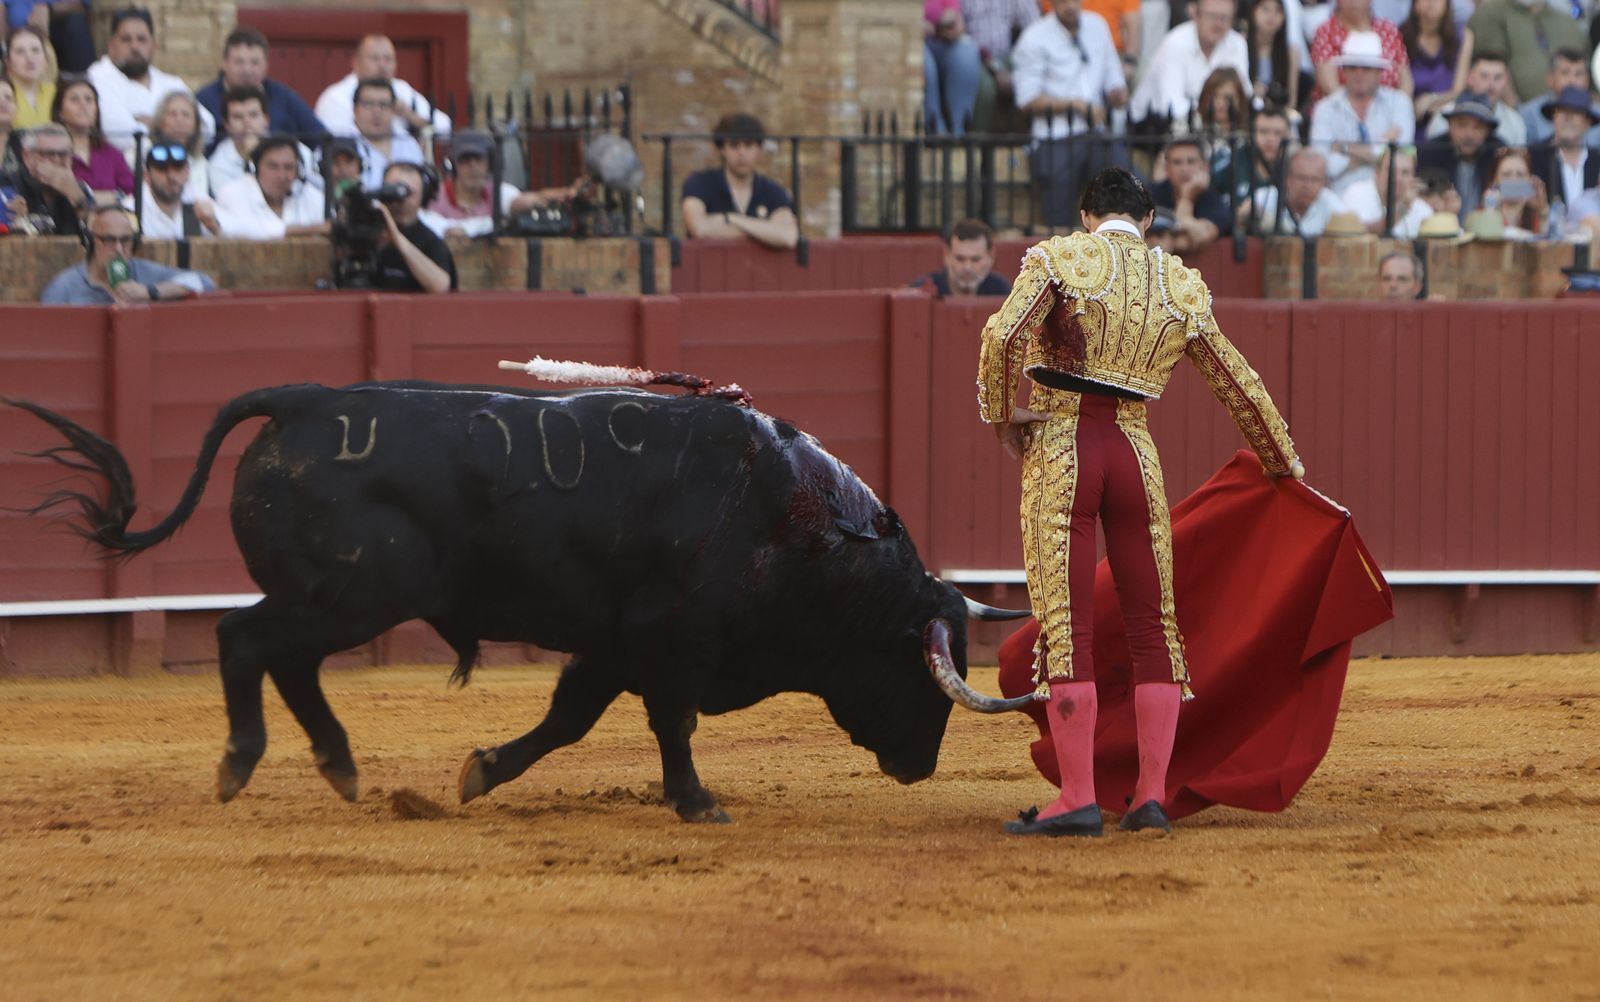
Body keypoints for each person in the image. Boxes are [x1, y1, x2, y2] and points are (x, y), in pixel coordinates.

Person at [976, 166, 1302, 837]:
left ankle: (1077, 799)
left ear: (1088, 214)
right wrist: (1283, 465)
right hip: (1134, 452)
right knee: (1155, 626)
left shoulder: (1062, 257)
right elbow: (1239, 383)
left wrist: (1003, 414)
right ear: (1148, 220)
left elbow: (1002, 337)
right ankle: (1151, 796)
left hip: (1066, 444)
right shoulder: (1178, 284)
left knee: (1069, 626)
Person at [1012, 0, 1128, 227]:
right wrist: (1075, 105)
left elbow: (1113, 76)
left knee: (1127, 183)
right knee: (1058, 213)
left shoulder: (1097, 25)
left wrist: (1117, 93)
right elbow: (1027, 99)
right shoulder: (1034, 36)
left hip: (1095, 134)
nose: (1070, 6)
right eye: (1063, 1)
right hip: (1053, 138)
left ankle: (1120, 247)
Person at [85, 8, 214, 154]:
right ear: (111, 45)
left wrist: (148, 122)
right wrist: (170, 128)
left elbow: (208, 127)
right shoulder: (98, 76)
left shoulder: (171, 83)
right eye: (126, 40)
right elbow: (121, 134)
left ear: (153, 46)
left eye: (141, 39)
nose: (135, 47)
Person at [40, 204, 214, 304]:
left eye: (125, 241)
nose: (118, 248)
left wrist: (149, 291)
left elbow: (205, 282)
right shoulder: (64, 287)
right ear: (91, 242)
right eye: (108, 240)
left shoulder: (144, 271)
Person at [1309, 32, 1416, 193]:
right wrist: (1379, 152)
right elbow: (1321, 165)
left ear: (1379, 72)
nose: (1359, 74)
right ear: (1343, 71)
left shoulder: (1399, 102)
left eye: (1366, 69)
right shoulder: (1325, 107)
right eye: (1352, 68)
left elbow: (1399, 156)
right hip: (1338, 195)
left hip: (1388, 195)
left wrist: (1344, 148)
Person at [195, 26, 326, 153]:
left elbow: (322, 138)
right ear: (224, 63)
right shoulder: (204, 101)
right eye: (239, 62)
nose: (247, 70)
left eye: (254, 62)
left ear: (266, 65)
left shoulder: (284, 97)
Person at [680, 112, 799, 248]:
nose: (741, 153)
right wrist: (765, 231)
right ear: (723, 149)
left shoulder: (772, 190)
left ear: (759, 149)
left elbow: (787, 236)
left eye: (748, 145)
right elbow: (699, 228)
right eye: (734, 145)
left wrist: (731, 219)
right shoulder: (699, 183)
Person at [422, 129, 571, 238]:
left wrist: (566, 193)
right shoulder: (436, 196)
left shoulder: (496, 191)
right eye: (465, 160)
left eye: (479, 159)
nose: (473, 167)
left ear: (489, 164)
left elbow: (526, 200)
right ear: (455, 165)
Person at [1129, 0, 1249, 126]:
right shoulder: (1175, 42)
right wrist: (1214, 112)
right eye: (1212, 16)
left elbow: (1243, 95)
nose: (1218, 23)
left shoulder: (1237, 43)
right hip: (1150, 129)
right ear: (1196, 15)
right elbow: (1171, 104)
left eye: (1225, 18)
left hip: (1209, 128)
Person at [314, 34, 450, 139]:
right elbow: (340, 142)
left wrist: (410, 115)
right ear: (355, 62)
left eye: (388, 59)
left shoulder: (401, 89)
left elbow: (445, 127)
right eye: (374, 58)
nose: (382, 66)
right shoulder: (336, 97)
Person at [1466, 0, 1588, 109]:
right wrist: (1517, 111)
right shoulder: (1491, 14)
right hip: (1513, 115)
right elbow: (1493, 66)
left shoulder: (1567, 22)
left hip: (1571, 112)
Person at [201, 134, 326, 240]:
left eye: (288, 167)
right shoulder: (232, 193)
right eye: (273, 167)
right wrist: (315, 229)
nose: (281, 176)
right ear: (255, 168)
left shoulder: (312, 196)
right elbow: (244, 231)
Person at [207, 86, 318, 196]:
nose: (247, 123)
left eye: (253, 115)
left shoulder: (294, 149)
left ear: (266, 120)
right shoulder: (219, 165)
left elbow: (317, 188)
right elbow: (233, 204)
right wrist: (252, 158)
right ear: (227, 125)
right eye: (238, 117)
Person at [366, 161, 456, 293]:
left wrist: (397, 238)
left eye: (410, 194)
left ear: (422, 198)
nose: (400, 202)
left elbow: (441, 286)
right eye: (394, 191)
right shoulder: (365, 230)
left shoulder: (431, 242)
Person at [1308, 0, 1412, 106]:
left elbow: (1406, 80)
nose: (1353, 2)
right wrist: (1359, 113)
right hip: (1338, 111)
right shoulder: (1326, 32)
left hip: (1389, 111)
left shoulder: (1389, 30)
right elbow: (1328, 83)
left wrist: (1398, 110)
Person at [1417, 90, 1502, 218]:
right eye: (1462, 125)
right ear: (1450, 126)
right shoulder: (1431, 152)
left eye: (1477, 127)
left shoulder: (1499, 153)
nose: (1469, 134)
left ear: (1487, 131)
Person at [0, 122, 90, 236]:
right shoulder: (6, 182)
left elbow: (93, 236)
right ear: (27, 156)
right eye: (48, 154)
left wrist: (76, 196)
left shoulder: (79, 188)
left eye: (64, 154)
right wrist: (18, 222)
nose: (57, 160)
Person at [54, 75, 134, 200]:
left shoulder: (112, 154)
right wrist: (109, 197)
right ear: (60, 111)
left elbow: (131, 194)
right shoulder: (52, 153)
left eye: (89, 100)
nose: (83, 105)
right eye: (74, 100)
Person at [1150, 135, 1231, 254]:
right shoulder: (1151, 194)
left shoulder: (1212, 199)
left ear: (1205, 167)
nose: (1184, 169)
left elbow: (1203, 236)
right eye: (1177, 162)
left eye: (1191, 161)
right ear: (1167, 169)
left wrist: (1187, 198)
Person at [1531, 86, 1600, 224]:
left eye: (1576, 112)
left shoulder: (1598, 161)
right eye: (1562, 111)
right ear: (1553, 118)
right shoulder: (1534, 156)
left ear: (1588, 122)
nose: (1568, 118)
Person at [1424, 52, 1526, 144]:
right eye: (1484, 76)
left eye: (1498, 77)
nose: (1491, 85)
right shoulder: (1444, 116)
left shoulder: (1515, 121)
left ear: (1506, 82)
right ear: (1470, 78)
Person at [341, 78, 423, 190]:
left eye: (384, 105)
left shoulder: (409, 143)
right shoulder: (341, 145)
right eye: (369, 104)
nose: (377, 112)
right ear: (355, 109)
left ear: (394, 110)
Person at [1402, 0, 1468, 136]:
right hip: (1412, 114)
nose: (1431, 2)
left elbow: (1459, 90)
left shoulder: (1463, 36)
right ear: (1415, 4)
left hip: (1448, 111)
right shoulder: (1401, 36)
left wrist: (1432, 99)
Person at [1250, 146, 1351, 234]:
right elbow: (1241, 217)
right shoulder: (1264, 198)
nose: (1307, 185)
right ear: (1287, 179)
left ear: (1324, 183)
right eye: (1301, 178)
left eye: (1315, 179)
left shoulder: (1332, 205)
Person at [1342, 145, 1433, 234]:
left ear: (1413, 177)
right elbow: (1363, 233)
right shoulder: (1357, 194)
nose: (1397, 178)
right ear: (1377, 173)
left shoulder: (1420, 207)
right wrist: (1402, 209)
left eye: (1405, 173)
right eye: (1391, 171)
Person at [910, 217, 1011, 295]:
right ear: (947, 255)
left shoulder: (1001, 290)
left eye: (975, 260)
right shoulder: (923, 288)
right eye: (960, 259)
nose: (967, 267)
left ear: (991, 257)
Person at [924, 0, 983, 134]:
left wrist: (954, 23)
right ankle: (934, 129)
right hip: (916, 41)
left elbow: (954, 11)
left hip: (943, 39)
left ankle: (959, 130)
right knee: (925, 65)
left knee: (967, 53)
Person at [1521, 50, 1600, 147]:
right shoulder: (1529, 114)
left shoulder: (1598, 112)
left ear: (1587, 80)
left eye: (1578, 74)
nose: (1572, 80)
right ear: (1550, 78)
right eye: (1565, 73)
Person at [136, 139, 207, 239]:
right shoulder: (132, 209)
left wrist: (214, 226)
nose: (171, 176)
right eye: (162, 169)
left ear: (188, 172)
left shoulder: (199, 199)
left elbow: (231, 230)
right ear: (147, 175)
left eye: (177, 168)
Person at [148, 89, 209, 201]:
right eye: (172, 114)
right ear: (160, 122)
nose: (179, 121)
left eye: (186, 115)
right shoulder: (143, 152)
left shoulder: (201, 162)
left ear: (196, 124)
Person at [1243, 0, 1302, 112]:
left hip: (1278, 114)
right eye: (1266, 9)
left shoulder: (1292, 52)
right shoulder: (1240, 45)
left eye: (1278, 11)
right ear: (1253, 11)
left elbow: (1291, 101)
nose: (1271, 16)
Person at [1485, 146, 1548, 237]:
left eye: (1520, 175)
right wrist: (1491, 211)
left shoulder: (1536, 215)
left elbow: (1547, 243)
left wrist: (1543, 209)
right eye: (1506, 175)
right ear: (1495, 180)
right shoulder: (1482, 213)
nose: (1514, 180)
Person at [5, 24, 54, 129]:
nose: (29, 58)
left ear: (46, 60)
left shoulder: (55, 93)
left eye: (35, 50)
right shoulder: (3, 94)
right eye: (20, 52)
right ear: (8, 62)